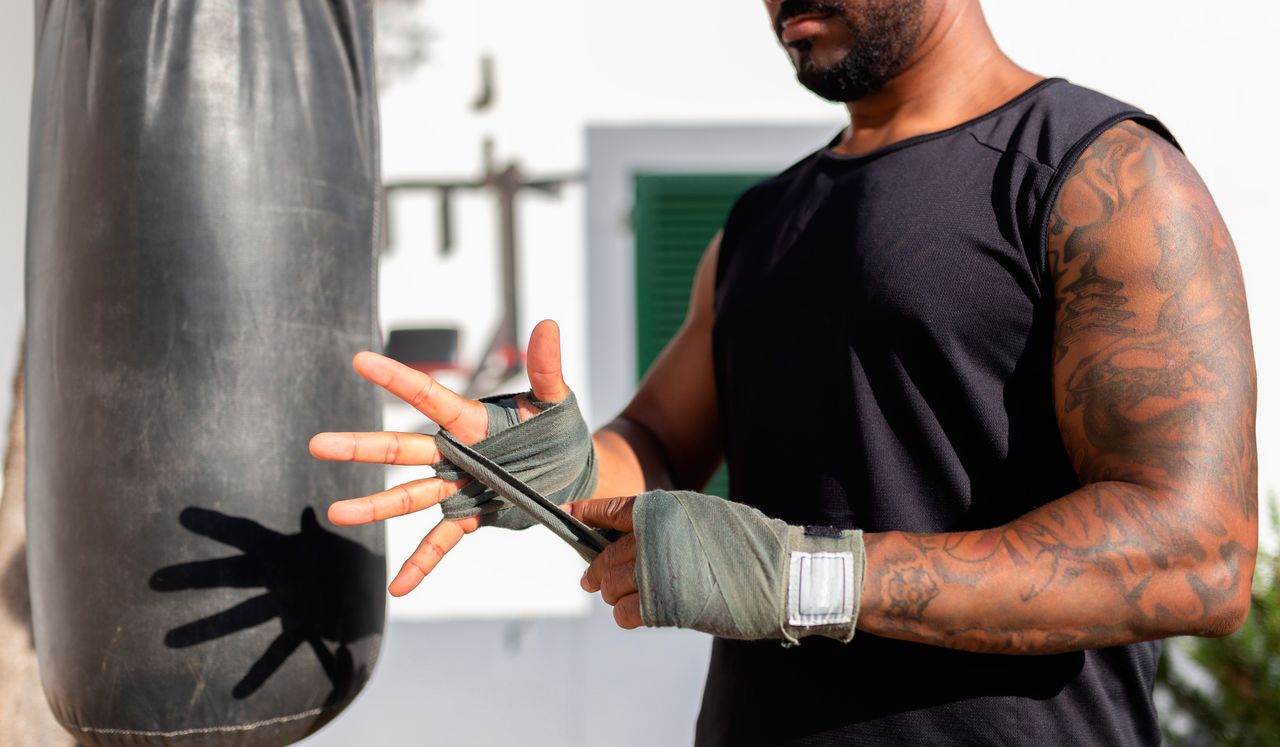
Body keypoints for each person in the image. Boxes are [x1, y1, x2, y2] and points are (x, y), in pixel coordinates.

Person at [310, 0, 1258, 743]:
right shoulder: (761, 224)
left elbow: (1196, 553)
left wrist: (814, 578)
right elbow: (657, 445)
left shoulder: (1100, 176)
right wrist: (553, 469)